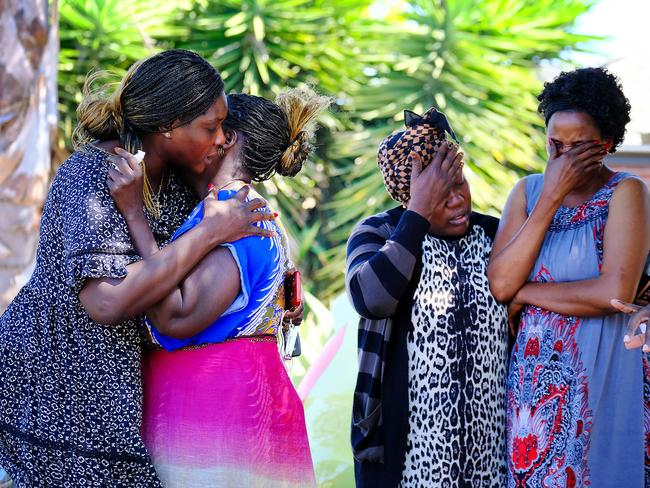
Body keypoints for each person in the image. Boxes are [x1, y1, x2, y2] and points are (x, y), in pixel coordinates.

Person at [0, 49, 274, 487]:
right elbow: (107, 301)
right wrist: (209, 234)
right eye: (211, 126)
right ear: (168, 126)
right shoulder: (94, 174)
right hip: (49, 392)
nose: (222, 138)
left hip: (112, 398)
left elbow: (187, 288)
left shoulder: (180, 189)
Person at [108, 87, 330, 487]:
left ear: (227, 139)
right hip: (223, 408)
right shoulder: (228, 210)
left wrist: (134, 215)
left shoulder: (235, 214)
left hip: (214, 414)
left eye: (211, 126)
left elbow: (177, 314)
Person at [488, 67, 650, 487]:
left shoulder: (626, 192)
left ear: (607, 144)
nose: (562, 158)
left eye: (578, 147)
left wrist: (528, 292)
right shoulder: (526, 192)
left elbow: (614, 292)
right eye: (555, 144)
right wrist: (552, 196)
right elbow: (500, 285)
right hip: (534, 387)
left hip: (604, 372)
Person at [347, 108, 509, 487]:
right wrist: (418, 214)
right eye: (439, 193)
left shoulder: (495, 235)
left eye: (459, 184)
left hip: (490, 450)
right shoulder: (380, 232)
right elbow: (371, 300)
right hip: (401, 451)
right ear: (408, 197)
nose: (456, 201)